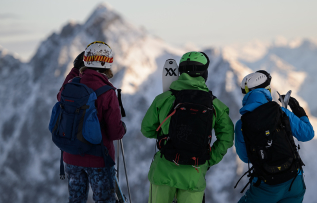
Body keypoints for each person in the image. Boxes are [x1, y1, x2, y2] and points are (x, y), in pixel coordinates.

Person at [141, 51, 234, 203]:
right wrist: (209, 159)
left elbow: (146, 129)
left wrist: (165, 135)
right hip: (194, 173)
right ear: (204, 74)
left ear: (181, 71)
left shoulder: (163, 99)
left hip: (164, 170)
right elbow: (227, 137)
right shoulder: (216, 105)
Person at [57, 41, 126, 203]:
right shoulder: (108, 93)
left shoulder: (72, 85)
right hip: (99, 160)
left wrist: (75, 69)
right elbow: (114, 132)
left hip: (71, 157)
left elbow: (60, 95)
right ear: (108, 63)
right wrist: (122, 128)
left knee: (76, 199)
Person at [235, 70, 314, 203]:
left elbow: (245, 157)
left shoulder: (241, 125)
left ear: (247, 93)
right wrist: (300, 112)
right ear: (266, 90)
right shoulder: (281, 111)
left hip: (266, 187)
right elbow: (307, 134)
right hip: (294, 182)